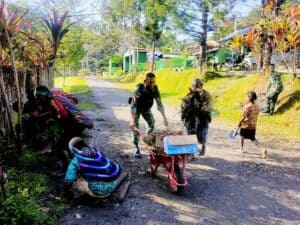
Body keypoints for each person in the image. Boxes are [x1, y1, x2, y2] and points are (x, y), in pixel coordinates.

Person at [61, 137, 127, 199]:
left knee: (76, 182)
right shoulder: (96, 151)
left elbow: (68, 180)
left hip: (101, 191)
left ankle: (94, 194)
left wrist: (65, 192)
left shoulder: (77, 160)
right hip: (113, 183)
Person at [129, 72, 168, 158]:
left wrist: (165, 118)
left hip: (146, 109)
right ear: (145, 81)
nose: (152, 84)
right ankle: (136, 147)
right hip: (137, 109)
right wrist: (132, 120)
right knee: (135, 127)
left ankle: (149, 143)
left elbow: (159, 104)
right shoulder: (140, 88)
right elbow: (133, 105)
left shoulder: (155, 88)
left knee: (151, 125)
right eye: (150, 82)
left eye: (154, 82)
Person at [181, 78, 212, 156]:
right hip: (191, 117)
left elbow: (209, 105)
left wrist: (202, 108)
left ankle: (203, 147)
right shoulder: (189, 94)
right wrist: (184, 114)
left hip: (203, 117)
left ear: (201, 86)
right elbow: (183, 104)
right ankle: (191, 153)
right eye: (194, 86)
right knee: (190, 134)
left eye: (197, 86)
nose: (195, 88)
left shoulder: (206, 94)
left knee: (202, 134)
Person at [238, 91, 267, 158]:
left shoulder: (247, 106)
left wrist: (239, 123)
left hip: (245, 125)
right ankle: (262, 149)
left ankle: (241, 148)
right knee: (253, 139)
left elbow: (243, 117)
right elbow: (257, 113)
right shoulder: (257, 106)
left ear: (249, 98)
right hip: (253, 125)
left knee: (242, 136)